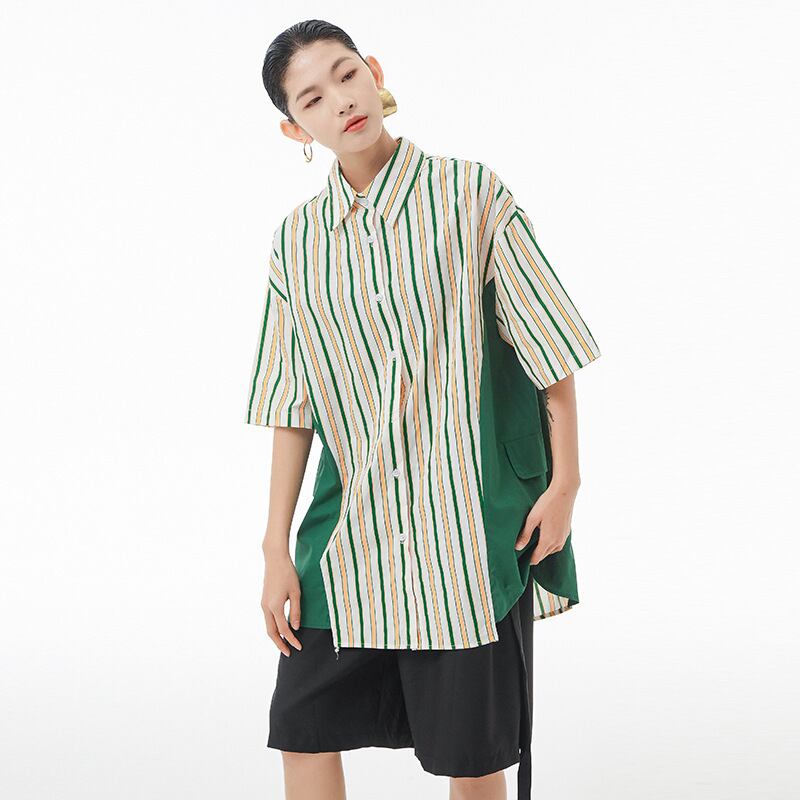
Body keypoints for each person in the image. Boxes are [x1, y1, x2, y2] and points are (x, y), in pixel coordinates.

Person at [246, 19, 602, 800]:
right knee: (302, 731)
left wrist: (566, 483)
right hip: (350, 537)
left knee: (470, 757)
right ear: (294, 129)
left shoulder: (471, 195)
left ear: (374, 71)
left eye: (346, 74)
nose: (340, 101)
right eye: (312, 98)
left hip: (462, 538)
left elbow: (548, 348)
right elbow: (290, 405)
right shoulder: (297, 243)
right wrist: (275, 547)